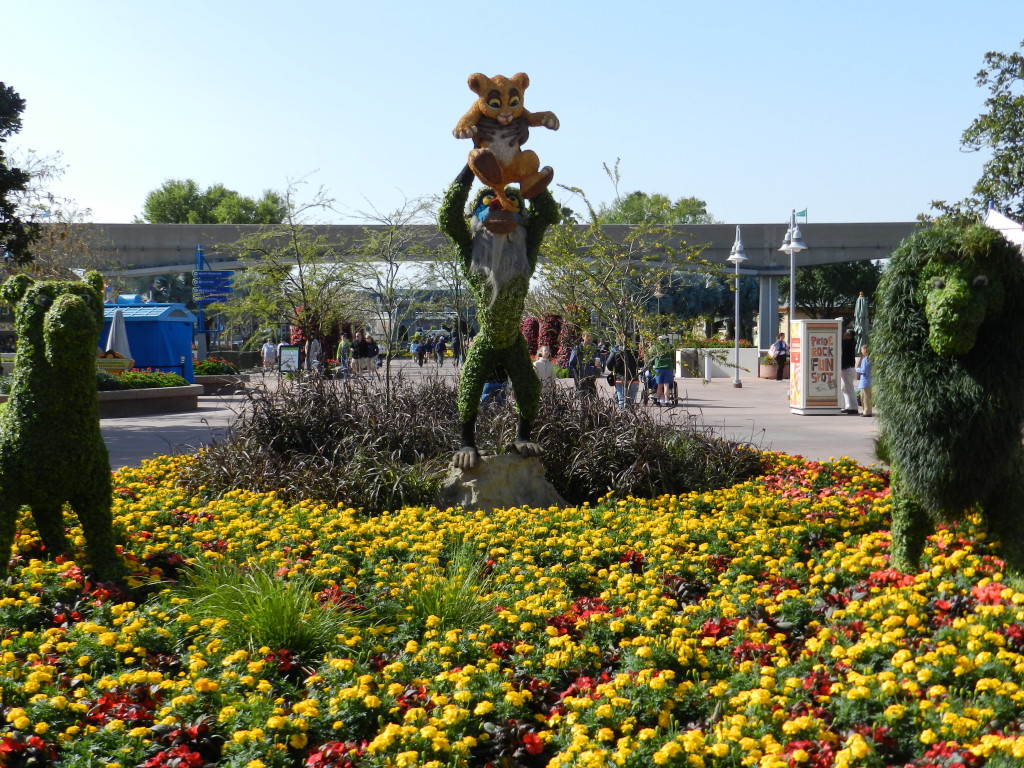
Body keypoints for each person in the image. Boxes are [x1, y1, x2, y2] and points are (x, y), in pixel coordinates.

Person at [606, 341, 641, 409]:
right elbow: (641, 364)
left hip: (620, 378)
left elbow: (609, 365)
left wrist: (615, 368)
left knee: (621, 400)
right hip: (633, 378)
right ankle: (629, 417)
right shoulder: (635, 352)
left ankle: (623, 417)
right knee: (631, 401)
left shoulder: (616, 351)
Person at [568, 332, 599, 398]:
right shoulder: (578, 349)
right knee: (582, 397)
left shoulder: (593, 349)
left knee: (593, 397)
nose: (590, 338)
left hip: (591, 377)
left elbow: (597, 362)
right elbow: (571, 364)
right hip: (580, 377)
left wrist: (596, 369)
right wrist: (576, 376)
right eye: (588, 336)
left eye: (591, 337)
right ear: (583, 337)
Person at [650, 336, 675, 406]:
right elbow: (673, 358)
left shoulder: (655, 347)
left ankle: (658, 400)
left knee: (659, 386)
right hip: (668, 367)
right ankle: (667, 401)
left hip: (658, 368)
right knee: (666, 385)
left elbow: (651, 357)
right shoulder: (670, 347)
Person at [840, 329, 858, 414]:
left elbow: (842, 343)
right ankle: (848, 406)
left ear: (850, 336)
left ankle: (854, 408)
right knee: (844, 388)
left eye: (847, 334)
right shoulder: (848, 342)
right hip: (845, 369)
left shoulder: (850, 343)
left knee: (849, 388)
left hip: (848, 369)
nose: (844, 335)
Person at [856, 344, 872, 417]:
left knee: (865, 398)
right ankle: (865, 410)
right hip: (865, 381)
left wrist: (856, 369)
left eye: (862, 350)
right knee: (863, 397)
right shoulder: (867, 359)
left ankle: (867, 412)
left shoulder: (866, 359)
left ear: (865, 350)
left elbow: (864, 370)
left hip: (865, 381)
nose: (861, 351)